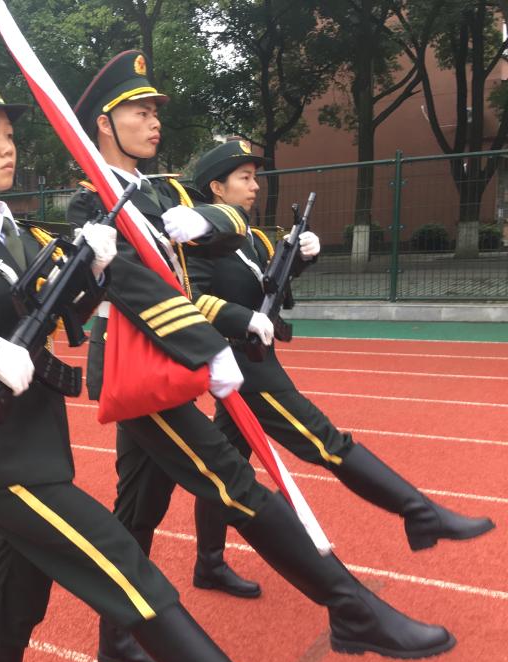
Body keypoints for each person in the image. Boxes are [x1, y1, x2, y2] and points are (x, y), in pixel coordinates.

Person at [0, 75, 358, 662]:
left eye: (9, 134)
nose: (7, 148)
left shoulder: (26, 234)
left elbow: (64, 315)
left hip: (36, 444)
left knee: (13, 605)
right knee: (127, 570)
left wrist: (93, 269)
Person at [67, 50, 454, 662]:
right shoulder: (89, 203)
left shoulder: (161, 190)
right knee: (235, 483)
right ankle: (351, 608)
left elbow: (228, 224)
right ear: (104, 125)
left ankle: (115, 636)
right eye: (139, 112)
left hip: (171, 362)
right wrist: (206, 343)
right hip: (135, 369)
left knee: (140, 505)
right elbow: (131, 287)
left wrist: (204, 218)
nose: (154, 121)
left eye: (156, 111)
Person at [180, 139, 495, 593]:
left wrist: (300, 257)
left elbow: (271, 287)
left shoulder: (251, 237)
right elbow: (190, 299)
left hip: (256, 359)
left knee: (223, 467)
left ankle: (208, 564)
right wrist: (239, 317)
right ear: (216, 187)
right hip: (244, 367)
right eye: (244, 178)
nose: (255, 186)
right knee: (326, 442)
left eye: (255, 177)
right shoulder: (197, 238)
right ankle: (419, 513)